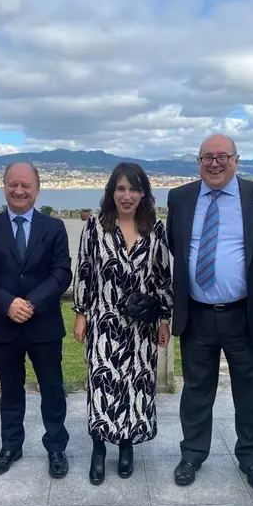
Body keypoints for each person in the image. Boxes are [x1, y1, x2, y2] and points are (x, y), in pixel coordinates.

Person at [166, 134, 253, 489]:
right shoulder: (180, 198)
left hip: (244, 313)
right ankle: (192, 455)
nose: (214, 163)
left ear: (236, 160)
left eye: (222, 156)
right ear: (198, 162)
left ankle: (252, 458)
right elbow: (175, 244)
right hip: (196, 314)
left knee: (252, 391)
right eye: (206, 158)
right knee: (197, 389)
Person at [0, 162, 73, 478]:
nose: (19, 191)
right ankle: (11, 446)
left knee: (52, 390)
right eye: (13, 184)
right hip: (3, 326)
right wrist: (7, 304)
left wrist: (31, 303)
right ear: (4, 187)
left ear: (37, 190)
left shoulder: (53, 228)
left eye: (26, 185)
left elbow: (61, 273)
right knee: (10, 391)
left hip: (43, 325)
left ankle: (56, 447)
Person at [72, 162, 173, 485]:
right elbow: (85, 271)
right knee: (103, 384)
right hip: (104, 320)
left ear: (143, 193)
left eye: (133, 189)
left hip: (141, 324)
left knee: (136, 385)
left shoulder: (155, 229)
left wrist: (163, 319)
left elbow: (161, 277)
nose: (126, 195)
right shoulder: (95, 226)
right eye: (120, 189)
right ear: (111, 192)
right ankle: (99, 448)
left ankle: (127, 444)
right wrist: (80, 313)